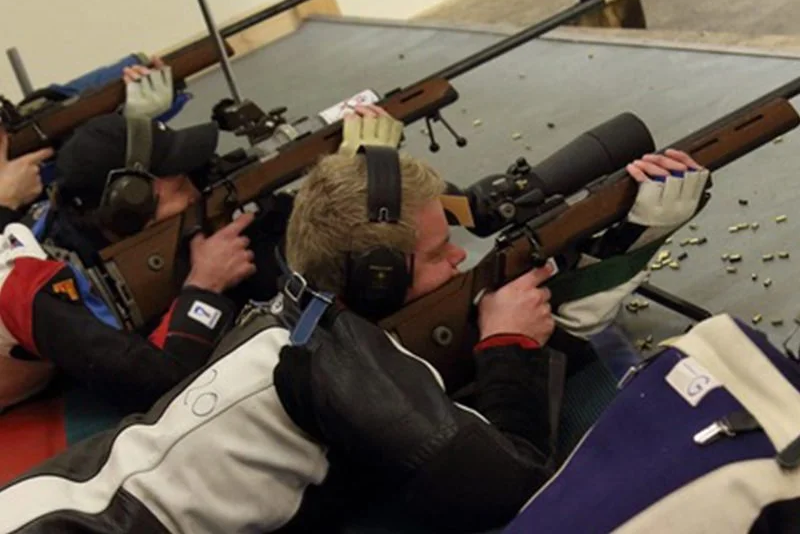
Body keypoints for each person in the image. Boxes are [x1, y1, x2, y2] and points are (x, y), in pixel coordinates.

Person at [0, 106, 709, 534]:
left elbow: (431, 396)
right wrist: (511, 342)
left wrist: (615, 253)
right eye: (439, 255)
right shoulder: (335, 362)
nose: (461, 262)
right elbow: (511, 483)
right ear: (377, 277)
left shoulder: (300, 318)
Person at [0, 67, 265, 413]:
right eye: (181, 184)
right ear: (129, 205)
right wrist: (204, 288)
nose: (194, 193)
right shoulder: (21, 283)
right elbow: (159, 386)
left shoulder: (46, 225)